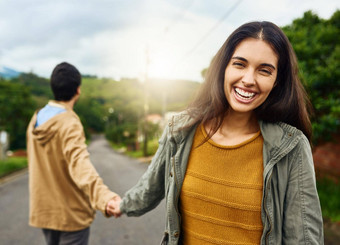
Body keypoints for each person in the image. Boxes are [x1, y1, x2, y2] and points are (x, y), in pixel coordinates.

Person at [107, 21, 324, 244]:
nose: (248, 80)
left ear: (276, 81)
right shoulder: (180, 130)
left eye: (264, 70)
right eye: (240, 64)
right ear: (223, 68)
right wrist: (121, 205)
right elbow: (150, 187)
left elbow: (304, 238)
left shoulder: (291, 146)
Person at [26, 62, 121, 245]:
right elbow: (80, 165)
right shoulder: (69, 122)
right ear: (78, 90)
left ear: (53, 87)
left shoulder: (35, 119)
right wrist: (104, 197)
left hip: (45, 211)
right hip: (71, 214)